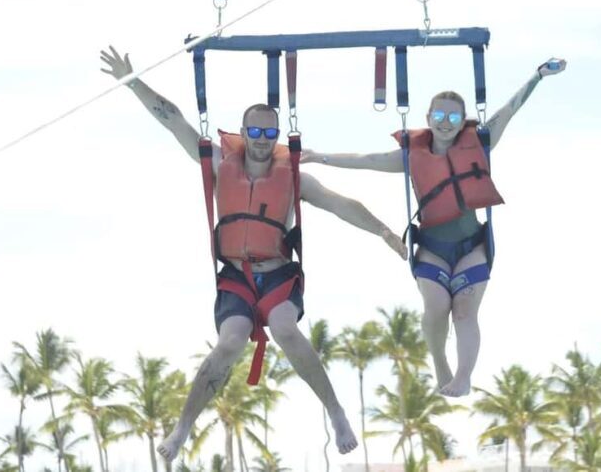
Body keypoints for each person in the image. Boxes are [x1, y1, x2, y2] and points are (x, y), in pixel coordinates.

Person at [100, 46, 407, 461]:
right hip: (237, 279)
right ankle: (183, 427)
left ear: (276, 137)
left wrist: (384, 231)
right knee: (229, 342)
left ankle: (335, 412)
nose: (262, 141)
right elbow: (173, 120)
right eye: (255, 133)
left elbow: (342, 204)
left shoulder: (295, 178)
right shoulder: (216, 164)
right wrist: (133, 80)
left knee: (284, 327)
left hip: (278, 276)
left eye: (269, 134)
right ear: (243, 134)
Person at [302, 59, 567, 396]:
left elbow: (509, 109)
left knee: (465, 313)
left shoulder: (481, 143)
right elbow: (365, 160)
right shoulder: (411, 157)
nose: (445, 123)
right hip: (431, 248)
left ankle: (463, 377)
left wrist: (538, 76)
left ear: (462, 121)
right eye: (439, 116)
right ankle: (440, 359)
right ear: (428, 120)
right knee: (437, 307)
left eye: (453, 117)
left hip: (472, 246)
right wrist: (318, 156)